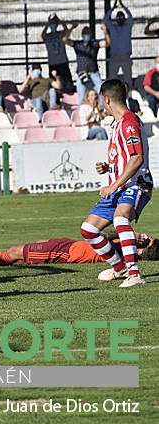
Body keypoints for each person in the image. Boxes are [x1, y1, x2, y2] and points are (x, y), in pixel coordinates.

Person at [79, 79, 152, 288]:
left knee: (120, 219)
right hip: (120, 185)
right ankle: (119, 268)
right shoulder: (117, 123)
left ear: (106, 99)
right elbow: (124, 158)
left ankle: (135, 275)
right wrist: (108, 168)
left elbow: (136, 158)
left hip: (137, 185)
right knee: (88, 230)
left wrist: (112, 185)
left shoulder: (129, 122)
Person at [0, 232, 159, 267]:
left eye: (148, 242)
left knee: (17, 251)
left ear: (144, 251)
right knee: (25, 248)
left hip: (65, 253)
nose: (145, 238)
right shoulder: (126, 249)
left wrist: (133, 237)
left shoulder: (126, 252)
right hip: (68, 245)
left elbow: (103, 235)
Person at [62, 23, 111, 105]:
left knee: (101, 92)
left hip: (94, 73)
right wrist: (71, 29)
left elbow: (108, 43)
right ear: (82, 34)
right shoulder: (78, 44)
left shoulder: (94, 43)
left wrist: (105, 32)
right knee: (81, 96)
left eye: (88, 33)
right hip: (82, 74)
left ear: (91, 34)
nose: (86, 35)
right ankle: (81, 114)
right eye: (85, 33)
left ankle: (102, 111)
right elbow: (65, 40)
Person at [41, 14, 74, 94]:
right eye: (51, 24)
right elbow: (43, 35)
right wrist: (48, 23)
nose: (53, 25)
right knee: (55, 84)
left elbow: (66, 31)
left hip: (63, 62)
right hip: (53, 63)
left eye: (54, 24)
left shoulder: (61, 34)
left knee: (68, 84)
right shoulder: (48, 36)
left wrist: (59, 21)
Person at [104, 0, 134, 84]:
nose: (120, 18)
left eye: (121, 17)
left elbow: (131, 17)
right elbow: (106, 19)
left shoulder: (127, 27)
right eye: (118, 17)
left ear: (124, 18)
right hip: (114, 56)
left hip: (125, 55)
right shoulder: (113, 28)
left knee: (128, 77)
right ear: (115, 19)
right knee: (112, 77)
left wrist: (123, 6)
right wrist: (113, 8)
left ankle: (129, 94)